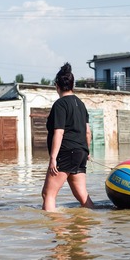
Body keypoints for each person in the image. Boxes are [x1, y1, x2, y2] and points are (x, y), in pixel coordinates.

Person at [42, 63, 94, 211]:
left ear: (56, 85)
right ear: (73, 85)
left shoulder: (60, 104)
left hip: (66, 153)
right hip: (80, 153)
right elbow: (88, 132)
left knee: (48, 194)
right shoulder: (81, 104)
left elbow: (59, 132)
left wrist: (53, 158)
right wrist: (87, 152)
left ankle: (57, 231)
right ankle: (86, 229)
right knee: (82, 196)